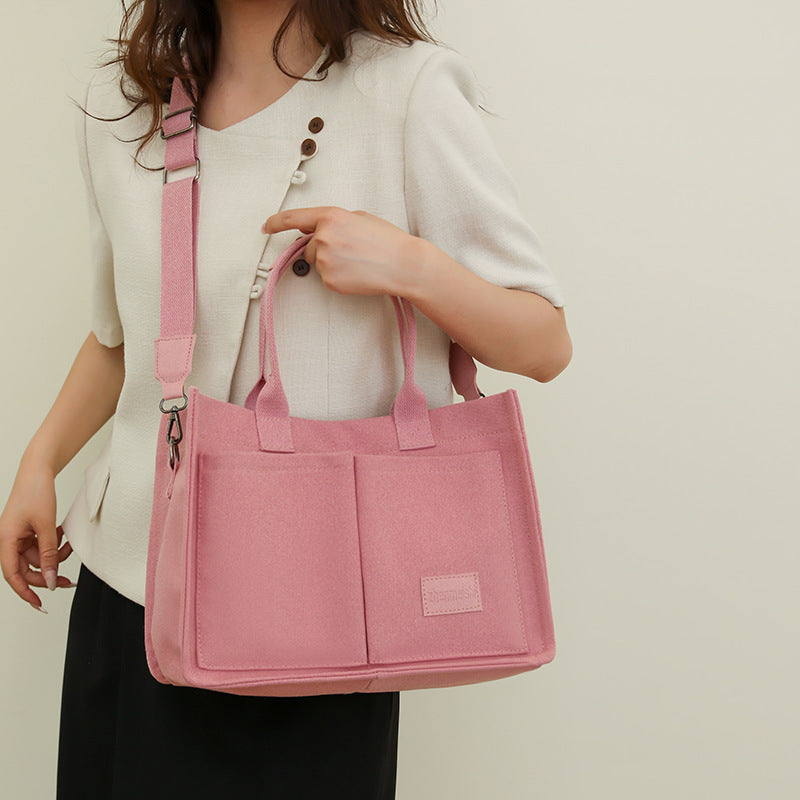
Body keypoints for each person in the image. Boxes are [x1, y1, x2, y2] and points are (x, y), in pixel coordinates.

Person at [0, 0, 572, 797]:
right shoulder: (119, 109)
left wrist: (409, 266)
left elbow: (543, 342)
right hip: (129, 594)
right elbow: (124, 337)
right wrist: (40, 460)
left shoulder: (408, 93)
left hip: (317, 623)